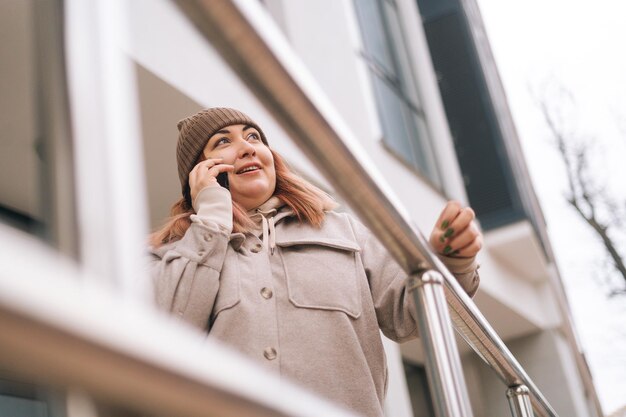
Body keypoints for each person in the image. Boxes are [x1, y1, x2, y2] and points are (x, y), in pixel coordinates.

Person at [149, 108, 482, 417]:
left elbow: (408, 313)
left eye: (253, 137)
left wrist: (450, 263)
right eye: (223, 141)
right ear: (198, 174)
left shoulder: (347, 232)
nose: (248, 148)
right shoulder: (171, 255)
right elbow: (165, 336)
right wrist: (210, 223)